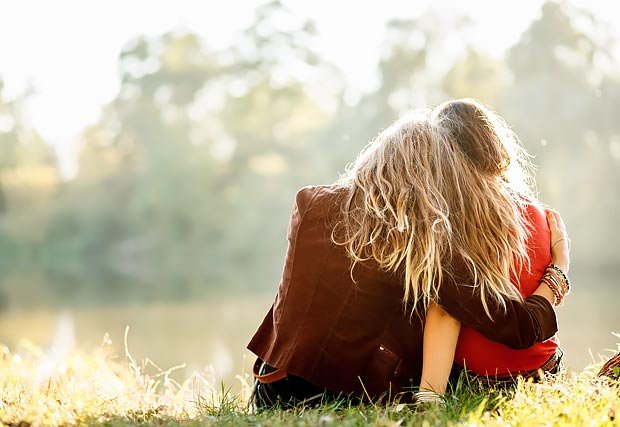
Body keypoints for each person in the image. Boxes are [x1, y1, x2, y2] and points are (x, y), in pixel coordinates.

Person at [247, 99, 571, 409]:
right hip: (350, 395)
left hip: (272, 385)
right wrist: (558, 271)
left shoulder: (309, 203)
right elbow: (520, 328)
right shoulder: (426, 241)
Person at [417, 99, 570, 400]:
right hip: (544, 371)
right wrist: (561, 266)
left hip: (482, 381)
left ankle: (430, 395)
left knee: (441, 297)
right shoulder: (539, 214)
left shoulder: (453, 220)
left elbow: (448, 312)